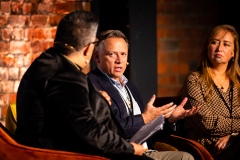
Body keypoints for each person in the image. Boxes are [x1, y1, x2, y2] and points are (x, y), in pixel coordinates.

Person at [14, 10, 151, 160]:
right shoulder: (65, 76)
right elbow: (88, 131)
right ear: (88, 48)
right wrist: (130, 148)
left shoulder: (45, 63)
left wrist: (95, 99)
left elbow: (66, 117)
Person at [87, 29, 200, 160]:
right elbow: (112, 130)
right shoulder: (91, 85)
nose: (119, 60)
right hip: (122, 153)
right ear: (96, 57)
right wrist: (145, 117)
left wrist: (170, 120)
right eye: (112, 54)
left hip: (146, 150)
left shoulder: (130, 86)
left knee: (187, 156)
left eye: (123, 54)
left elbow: (145, 133)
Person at [178, 24, 240, 160]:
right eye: (214, 42)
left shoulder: (238, 82)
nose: (219, 48)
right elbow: (207, 123)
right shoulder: (194, 80)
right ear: (208, 47)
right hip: (207, 147)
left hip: (234, 142)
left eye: (226, 44)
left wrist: (233, 134)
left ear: (233, 53)